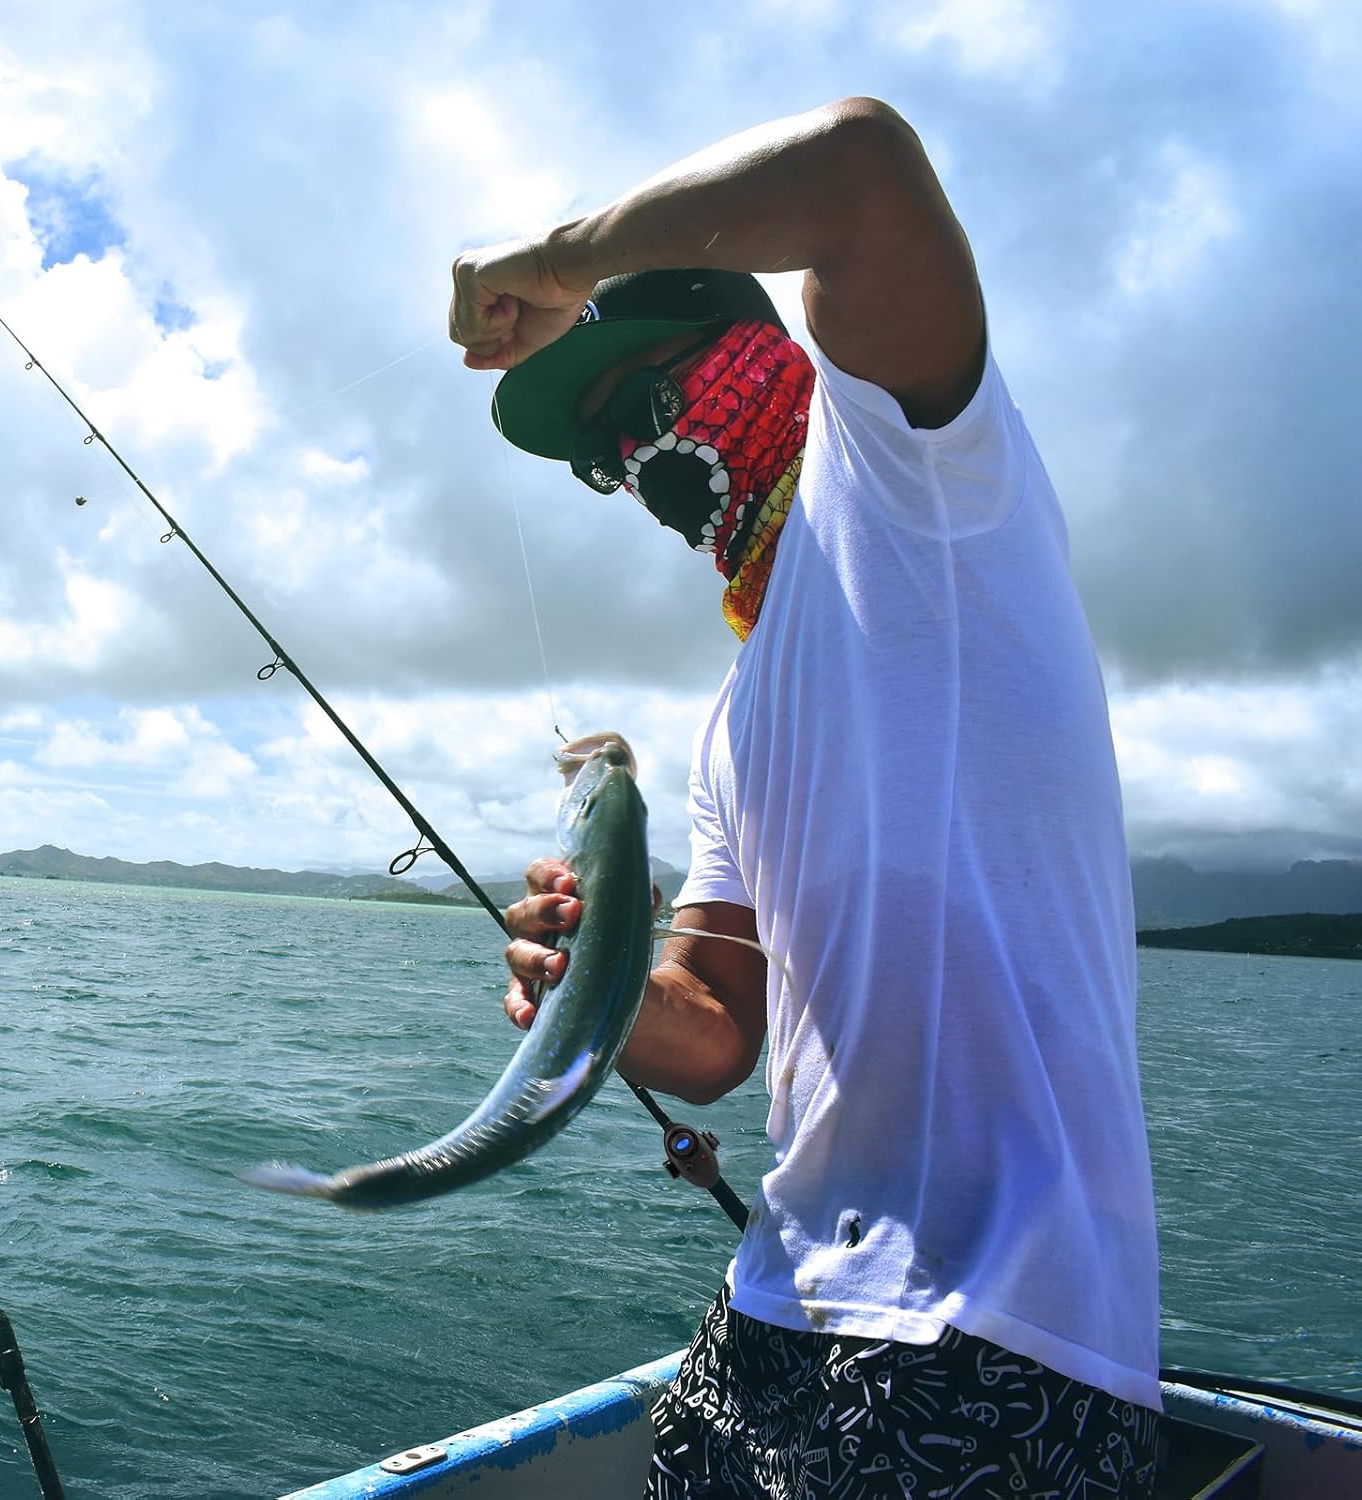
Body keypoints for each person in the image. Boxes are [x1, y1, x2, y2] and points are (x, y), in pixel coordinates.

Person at [449, 97, 1162, 1499]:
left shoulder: (918, 474)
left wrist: (562, 257)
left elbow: (859, 169)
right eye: (607, 457)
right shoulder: (733, 718)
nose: (636, 472)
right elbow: (713, 1034)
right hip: (777, 1306)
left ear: (761, 357)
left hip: (1000, 1330)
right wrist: (594, 980)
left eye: (644, 405)